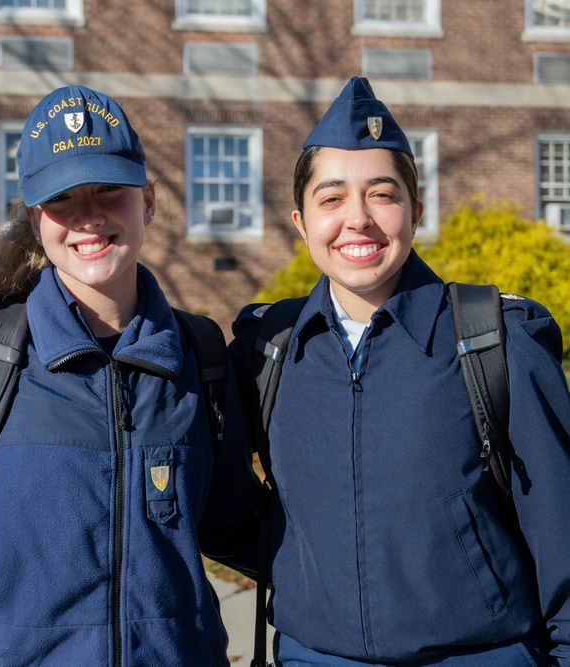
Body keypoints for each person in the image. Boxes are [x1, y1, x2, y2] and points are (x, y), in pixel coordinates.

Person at [0, 85, 261, 666]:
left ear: (147, 200)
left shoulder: (199, 355)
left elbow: (238, 526)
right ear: (36, 219)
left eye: (109, 191)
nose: (87, 217)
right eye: (62, 199)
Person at [230, 76, 570, 666]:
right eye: (331, 198)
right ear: (300, 221)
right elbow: (215, 500)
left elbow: (564, 536)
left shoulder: (495, 342)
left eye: (382, 194)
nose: (357, 219)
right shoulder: (270, 350)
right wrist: (312, 577)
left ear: (414, 212)